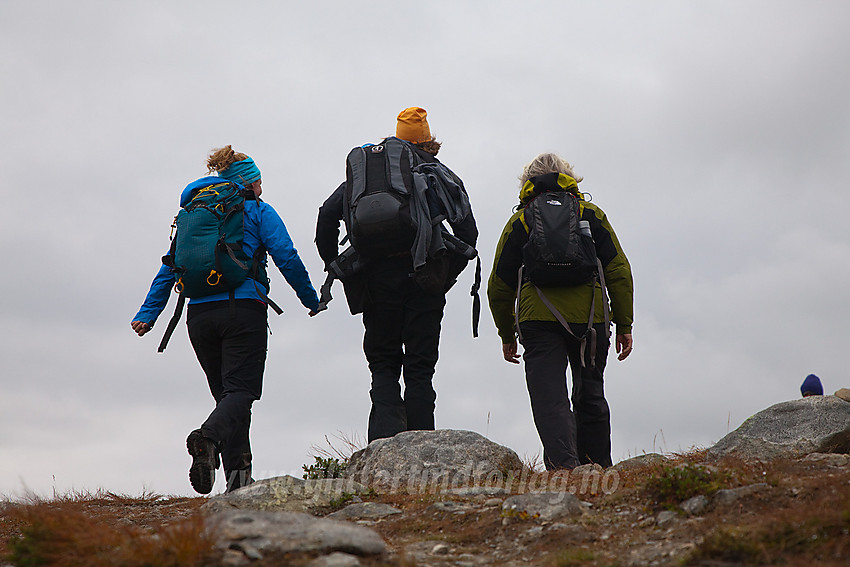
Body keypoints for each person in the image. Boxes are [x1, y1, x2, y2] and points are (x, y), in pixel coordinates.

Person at [131, 146, 320, 494]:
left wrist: (148, 314)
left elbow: (169, 266)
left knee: (229, 399)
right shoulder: (258, 211)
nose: (262, 187)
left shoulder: (194, 214)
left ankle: (238, 483)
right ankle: (206, 438)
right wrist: (311, 299)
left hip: (198, 315)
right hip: (242, 310)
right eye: (260, 181)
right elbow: (287, 256)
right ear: (249, 183)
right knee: (241, 392)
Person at [315, 107, 478, 443]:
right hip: (424, 279)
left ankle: (383, 447)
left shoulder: (365, 177)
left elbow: (326, 218)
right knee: (419, 368)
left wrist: (337, 266)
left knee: (384, 366)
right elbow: (468, 232)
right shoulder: (436, 171)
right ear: (428, 141)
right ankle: (419, 449)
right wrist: (445, 274)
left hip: (374, 279)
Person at [487, 153, 633, 470]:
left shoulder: (521, 220)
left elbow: (499, 285)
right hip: (591, 320)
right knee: (591, 393)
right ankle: (597, 469)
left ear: (527, 184)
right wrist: (624, 324)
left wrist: (506, 333)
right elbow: (618, 272)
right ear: (570, 179)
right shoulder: (591, 214)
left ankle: (563, 469)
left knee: (549, 399)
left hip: (537, 321)